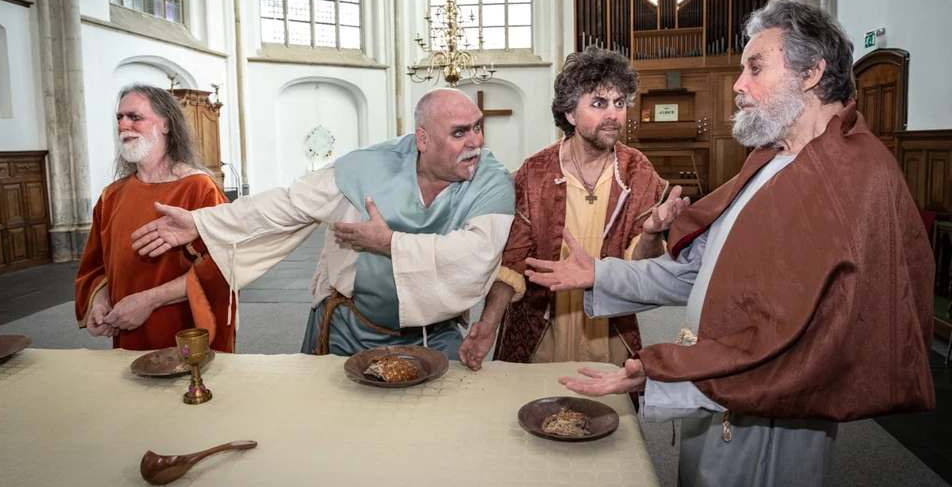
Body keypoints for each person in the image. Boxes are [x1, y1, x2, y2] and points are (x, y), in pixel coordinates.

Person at [526, 0, 935, 487]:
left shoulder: (852, 179)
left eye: (755, 68)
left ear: (811, 74)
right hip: (718, 385)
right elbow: (700, 272)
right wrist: (600, 275)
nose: (738, 85)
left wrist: (667, 376)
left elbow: (819, 342)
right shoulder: (776, 158)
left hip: (771, 417)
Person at [129, 88, 515, 358]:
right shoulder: (366, 168)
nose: (475, 142)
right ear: (423, 139)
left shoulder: (492, 182)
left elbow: (474, 257)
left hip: (435, 337)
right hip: (349, 330)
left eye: (478, 127)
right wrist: (203, 222)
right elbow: (288, 204)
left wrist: (387, 242)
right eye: (460, 132)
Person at [459, 46, 689, 372]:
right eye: (598, 103)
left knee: (605, 413)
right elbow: (511, 263)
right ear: (570, 113)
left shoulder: (638, 171)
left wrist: (651, 235)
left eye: (619, 103)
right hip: (541, 327)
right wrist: (487, 326)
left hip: (607, 329)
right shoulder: (535, 172)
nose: (613, 114)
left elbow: (642, 270)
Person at [75, 84, 234, 352]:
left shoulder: (198, 188)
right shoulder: (110, 197)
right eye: (120, 118)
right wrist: (101, 302)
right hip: (128, 330)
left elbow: (224, 267)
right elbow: (95, 268)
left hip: (185, 329)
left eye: (135, 117)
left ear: (165, 125)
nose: (124, 125)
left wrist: (149, 300)